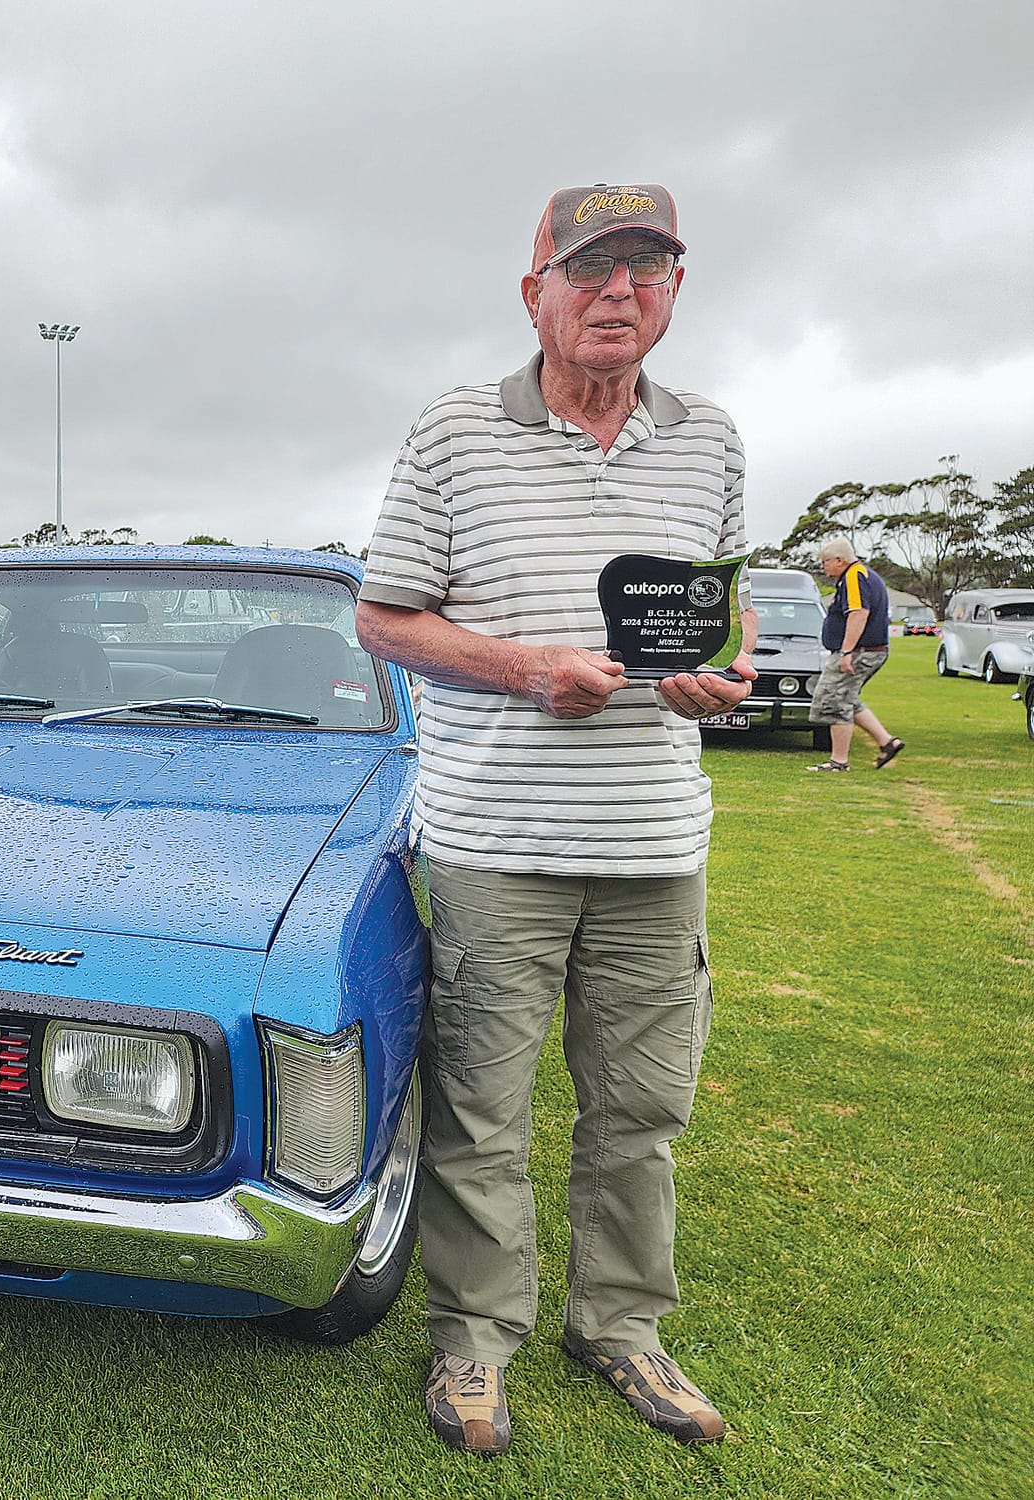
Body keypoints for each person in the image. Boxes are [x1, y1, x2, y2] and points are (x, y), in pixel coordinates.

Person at [355, 183, 754, 1456]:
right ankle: (474, 1346)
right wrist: (526, 666)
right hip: (495, 846)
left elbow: (719, 618)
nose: (617, 292)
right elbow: (383, 619)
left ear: (673, 293)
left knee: (639, 1112)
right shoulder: (455, 431)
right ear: (533, 290)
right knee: (479, 1110)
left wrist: (718, 679)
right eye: (590, 268)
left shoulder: (710, 441)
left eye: (646, 268)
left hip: (652, 843)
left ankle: (621, 1330)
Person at [806, 537, 903, 771]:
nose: (823, 567)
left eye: (825, 562)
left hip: (858, 652)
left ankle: (838, 762)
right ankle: (887, 742)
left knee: (834, 701)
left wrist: (847, 651)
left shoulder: (854, 576)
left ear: (840, 560)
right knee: (845, 697)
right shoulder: (862, 575)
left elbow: (858, 613)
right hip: (867, 651)